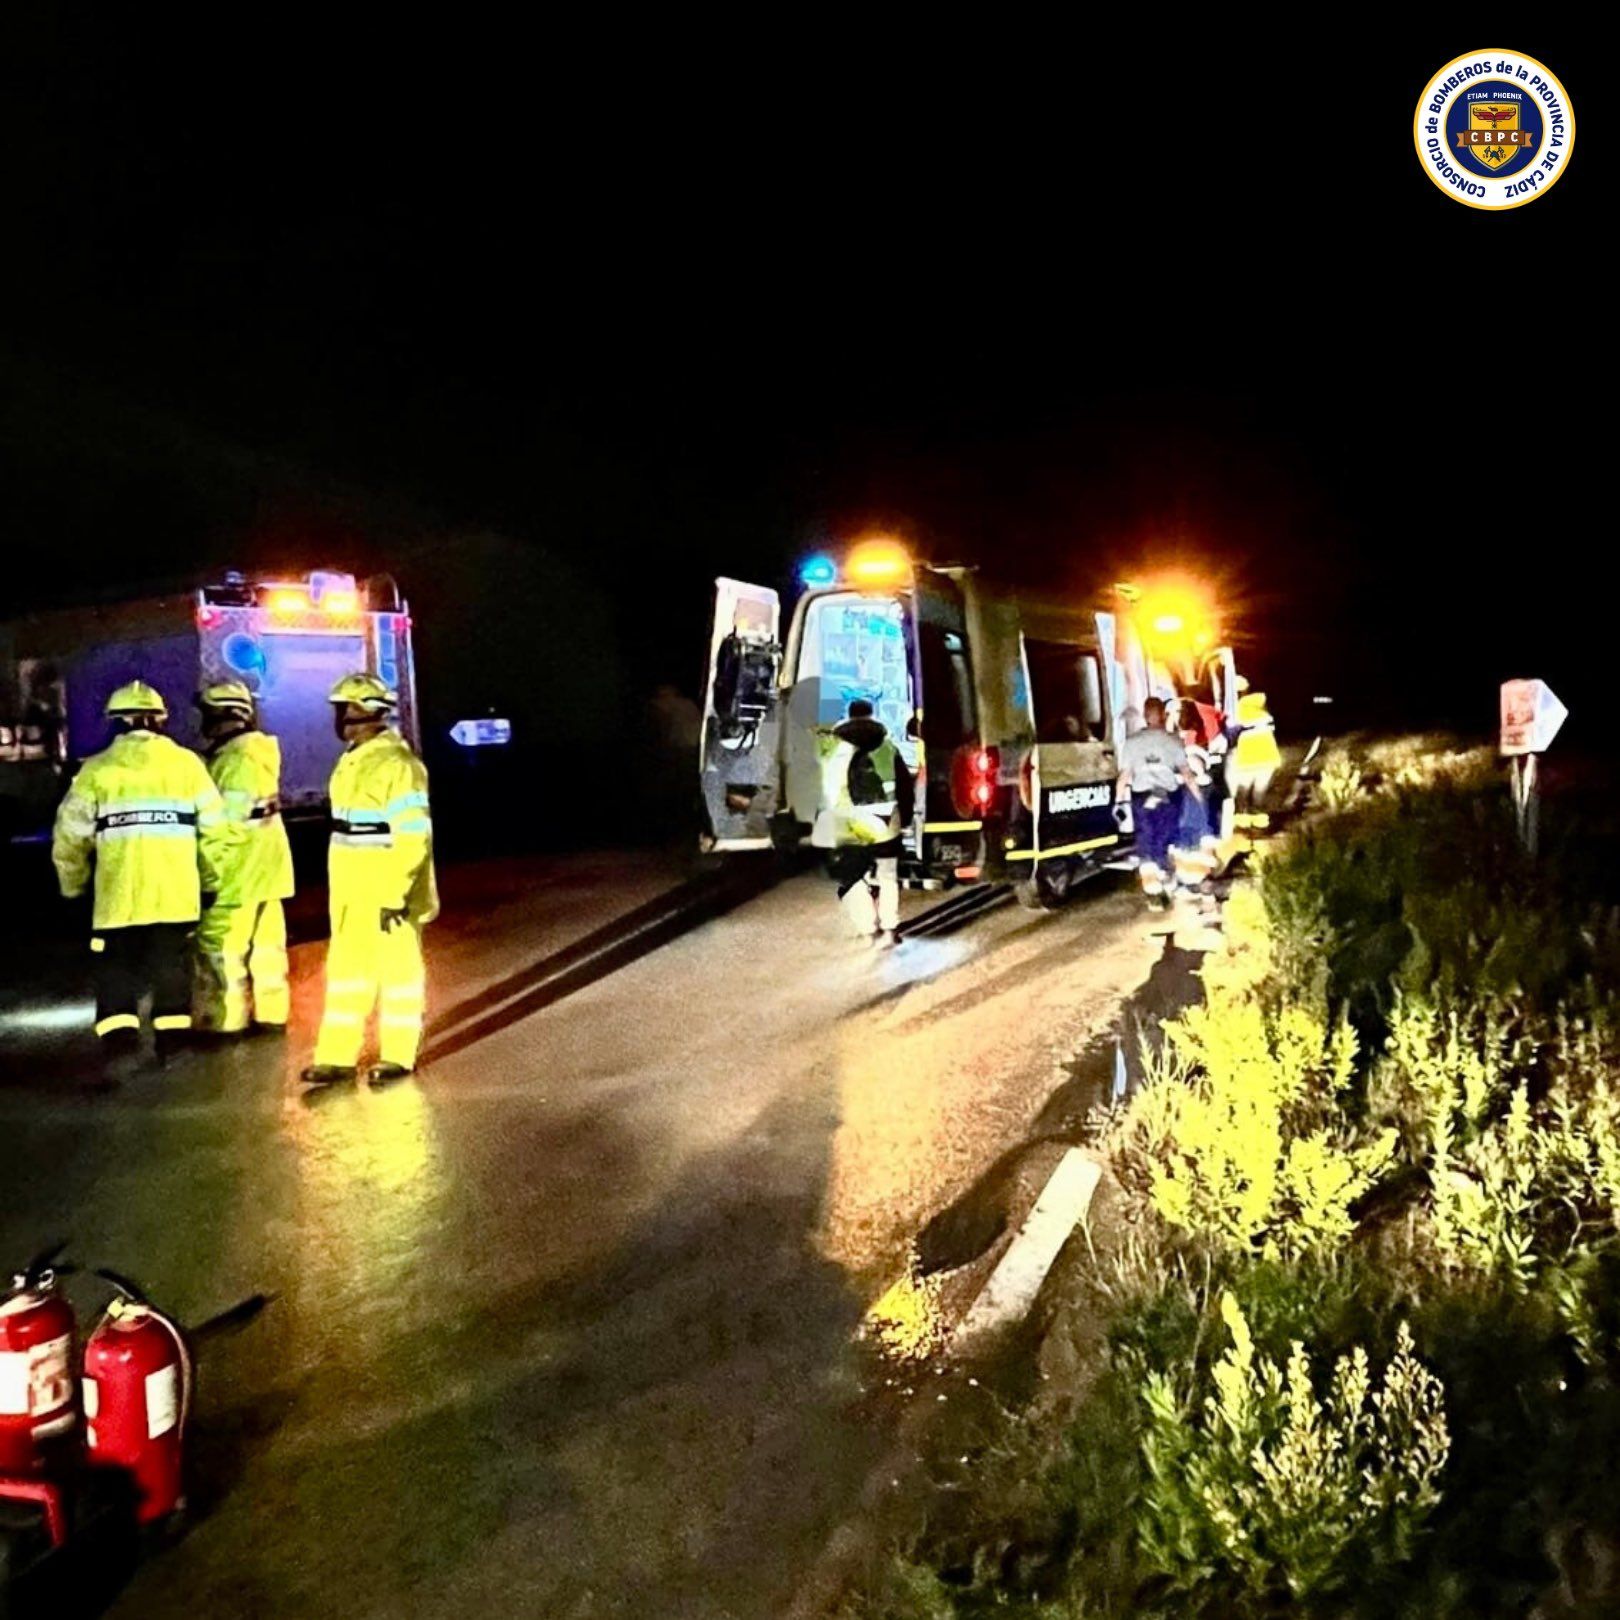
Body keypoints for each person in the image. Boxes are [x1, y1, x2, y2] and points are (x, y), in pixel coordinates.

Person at [51, 680, 236, 1075]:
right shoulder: (189, 767)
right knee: (171, 967)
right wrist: (209, 881)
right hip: (176, 896)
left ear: (115, 723)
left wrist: (73, 888)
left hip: (116, 898)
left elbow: (69, 838)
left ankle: (120, 1044)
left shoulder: (96, 771)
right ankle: (172, 1044)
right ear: (160, 721)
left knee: (115, 968)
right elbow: (215, 832)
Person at [302, 673, 437, 1088]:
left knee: (398, 976)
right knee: (347, 975)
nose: (339, 717)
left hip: (387, 894)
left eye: (344, 708)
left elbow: (413, 838)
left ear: (364, 711)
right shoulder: (353, 761)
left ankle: (397, 1055)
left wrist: (395, 893)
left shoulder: (398, 766)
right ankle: (337, 1057)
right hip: (352, 893)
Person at [192, 680, 295, 1036]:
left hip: (237, 875)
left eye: (207, 714)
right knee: (268, 950)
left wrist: (208, 875)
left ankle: (225, 1021)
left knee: (222, 950)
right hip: (269, 872)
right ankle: (272, 1014)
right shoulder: (256, 753)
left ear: (223, 716)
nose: (203, 722)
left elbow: (228, 827)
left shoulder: (235, 762)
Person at [815, 698, 915, 946]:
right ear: (871, 715)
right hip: (884, 821)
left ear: (849, 716)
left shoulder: (833, 749)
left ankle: (868, 929)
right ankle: (890, 929)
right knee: (887, 874)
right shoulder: (888, 748)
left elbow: (821, 789)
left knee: (851, 878)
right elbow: (904, 787)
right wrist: (906, 818)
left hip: (846, 823)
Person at [1115, 696, 1202, 907]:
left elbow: (1124, 776)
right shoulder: (1173, 740)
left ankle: (1154, 896)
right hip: (1168, 800)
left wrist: (1118, 802)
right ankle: (1167, 880)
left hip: (1141, 801)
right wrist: (1199, 799)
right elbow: (1187, 774)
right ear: (1163, 715)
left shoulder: (1131, 743)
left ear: (1145, 716)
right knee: (1165, 843)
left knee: (1146, 846)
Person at [1229, 678, 1282, 826]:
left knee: (1243, 790)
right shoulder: (1262, 708)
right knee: (1260, 790)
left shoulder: (1235, 711)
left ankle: (1242, 817)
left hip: (1247, 759)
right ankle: (1258, 816)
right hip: (1268, 757)